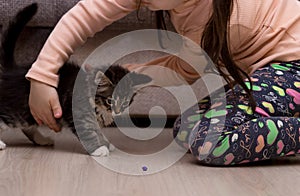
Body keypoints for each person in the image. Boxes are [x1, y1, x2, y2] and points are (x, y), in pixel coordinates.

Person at [26, 0, 300, 165]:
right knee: (184, 128)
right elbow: (86, 13)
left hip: (294, 67)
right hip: (269, 73)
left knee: (210, 142)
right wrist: (43, 74)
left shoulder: (221, 21)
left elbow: (186, 71)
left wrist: (138, 76)